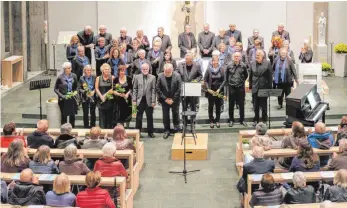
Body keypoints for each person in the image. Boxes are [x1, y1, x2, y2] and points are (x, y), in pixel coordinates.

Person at [222, 52, 248, 127]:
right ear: (233, 57)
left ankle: (242, 120)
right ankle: (231, 120)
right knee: (231, 105)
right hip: (231, 88)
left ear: (240, 57)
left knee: (241, 105)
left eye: (238, 56)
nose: (236, 58)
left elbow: (246, 75)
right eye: (235, 56)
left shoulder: (243, 65)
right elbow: (226, 77)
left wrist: (241, 81)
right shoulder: (229, 65)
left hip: (240, 88)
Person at [156, 63, 182, 139]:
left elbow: (179, 89)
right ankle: (166, 130)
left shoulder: (177, 76)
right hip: (165, 100)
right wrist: (166, 99)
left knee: (176, 114)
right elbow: (158, 89)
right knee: (165, 116)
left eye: (168, 72)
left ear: (172, 70)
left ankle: (177, 129)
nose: (166, 73)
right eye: (165, 72)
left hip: (175, 99)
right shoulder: (160, 76)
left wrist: (173, 99)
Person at [249, 50, 273, 127]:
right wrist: (250, 85)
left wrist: (270, 87)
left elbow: (270, 76)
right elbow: (250, 75)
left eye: (259, 54)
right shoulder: (252, 63)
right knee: (255, 105)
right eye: (256, 54)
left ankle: (264, 120)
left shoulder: (267, 63)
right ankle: (256, 119)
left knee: (264, 105)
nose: (257, 56)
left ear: (262, 56)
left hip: (264, 86)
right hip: (255, 86)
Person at [133, 63, 156, 138]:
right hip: (140, 99)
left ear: (149, 69)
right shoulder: (137, 77)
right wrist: (134, 99)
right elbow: (135, 89)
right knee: (138, 117)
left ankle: (150, 132)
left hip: (149, 100)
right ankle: (138, 133)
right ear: (141, 69)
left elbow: (153, 90)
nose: (145, 70)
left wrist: (153, 101)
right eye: (143, 69)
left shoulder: (153, 77)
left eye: (146, 69)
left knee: (150, 117)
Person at [55, 62, 78, 127]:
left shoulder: (74, 76)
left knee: (72, 116)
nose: (70, 69)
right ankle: (64, 131)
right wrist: (62, 96)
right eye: (68, 68)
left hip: (72, 99)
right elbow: (55, 89)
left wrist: (75, 92)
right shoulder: (60, 77)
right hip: (63, 100)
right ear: (64, 69)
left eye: (70, 68)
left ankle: (72, 130)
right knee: (64, 116)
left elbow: (76, 87)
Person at [204, 57, 224, 128]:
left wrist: (219, 89)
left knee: (218, 106)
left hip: (219, 91)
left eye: (216, 61)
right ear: (211, 62)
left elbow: (224, 80)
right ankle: (211, 121)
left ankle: (217, 120)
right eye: (214, 61)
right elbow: (205, 80)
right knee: (211, 106)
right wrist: (208, 89)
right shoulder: (208, 69)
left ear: (218, 61)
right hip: (211, 91)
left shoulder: (221, 69)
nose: (215, 62)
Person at [96, 63, 115, 129]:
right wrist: (101, 96)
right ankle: (102, 133)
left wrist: (105, 95)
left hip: (109, 100)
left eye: (108, 69)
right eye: (106, 69)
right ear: (102, 70)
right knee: (101, 117)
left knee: (109, 118)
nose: (107, 71)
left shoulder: (112, 77)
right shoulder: (98, 78)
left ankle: (109, 133)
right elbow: (96, 88)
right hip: (101, 100)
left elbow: (113, 88)